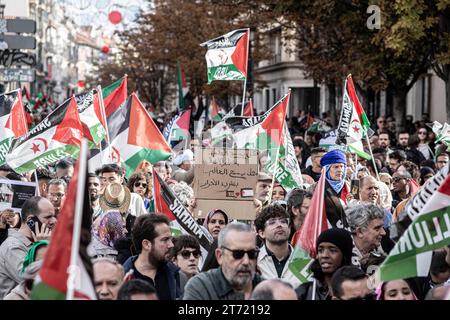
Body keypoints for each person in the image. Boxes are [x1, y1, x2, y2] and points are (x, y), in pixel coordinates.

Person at [183, 222, 262, 300]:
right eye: (238, 254)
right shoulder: (200, 288)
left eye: (252, 253)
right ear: (220, 256)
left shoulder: (268, 289)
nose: (246, 261)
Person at [0, 196, 54, 298]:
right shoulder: (12, 247)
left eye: (53, 216)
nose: (53, 221)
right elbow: (36, 283)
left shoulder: (37, 241)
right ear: (31, 221)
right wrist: (43, 248)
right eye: (48, 217)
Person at [123, 214, 182, 300]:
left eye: (170, 239)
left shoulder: (174, 273)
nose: (171, 245)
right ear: (146, 244)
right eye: (165, 240)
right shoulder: (123, 278)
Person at [296, 228, 353, 300]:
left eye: (332, 250)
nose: (324, 255)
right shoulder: (304, 291)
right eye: (320, 250)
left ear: (345, 255)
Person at [255, 204, 300, 288]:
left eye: (283, 221)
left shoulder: (304, 260)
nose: (279, 225)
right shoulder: (254, 260)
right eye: (272, 222)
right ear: (261, 233)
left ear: (289, 229)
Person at [346, 203, 386, 268]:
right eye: (377, 228)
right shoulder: (345, 259)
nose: (383, 233)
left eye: (382, 227)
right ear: (360, 232)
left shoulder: (378, 250)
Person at [320, 149, 349, 229]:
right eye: (336, 167)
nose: (340, 170)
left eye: (342, 166)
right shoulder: (315, 189)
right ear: (327, 169)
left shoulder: (353, 187)